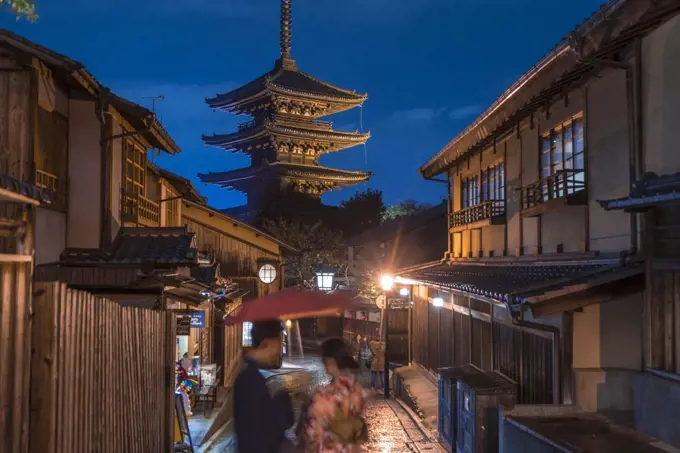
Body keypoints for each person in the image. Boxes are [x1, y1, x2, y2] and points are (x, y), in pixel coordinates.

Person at [234, 320, 294, 453]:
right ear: (266, 343)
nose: (279, 348)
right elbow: (265, 429)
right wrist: (282, 399)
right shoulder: (252, 380)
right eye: (278, 341)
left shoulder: (247, 374)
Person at [299, 338, 368, 453]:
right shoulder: (358, 390)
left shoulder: (326, 396)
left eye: (325, 361)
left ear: (331, 361)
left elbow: (311, 431)